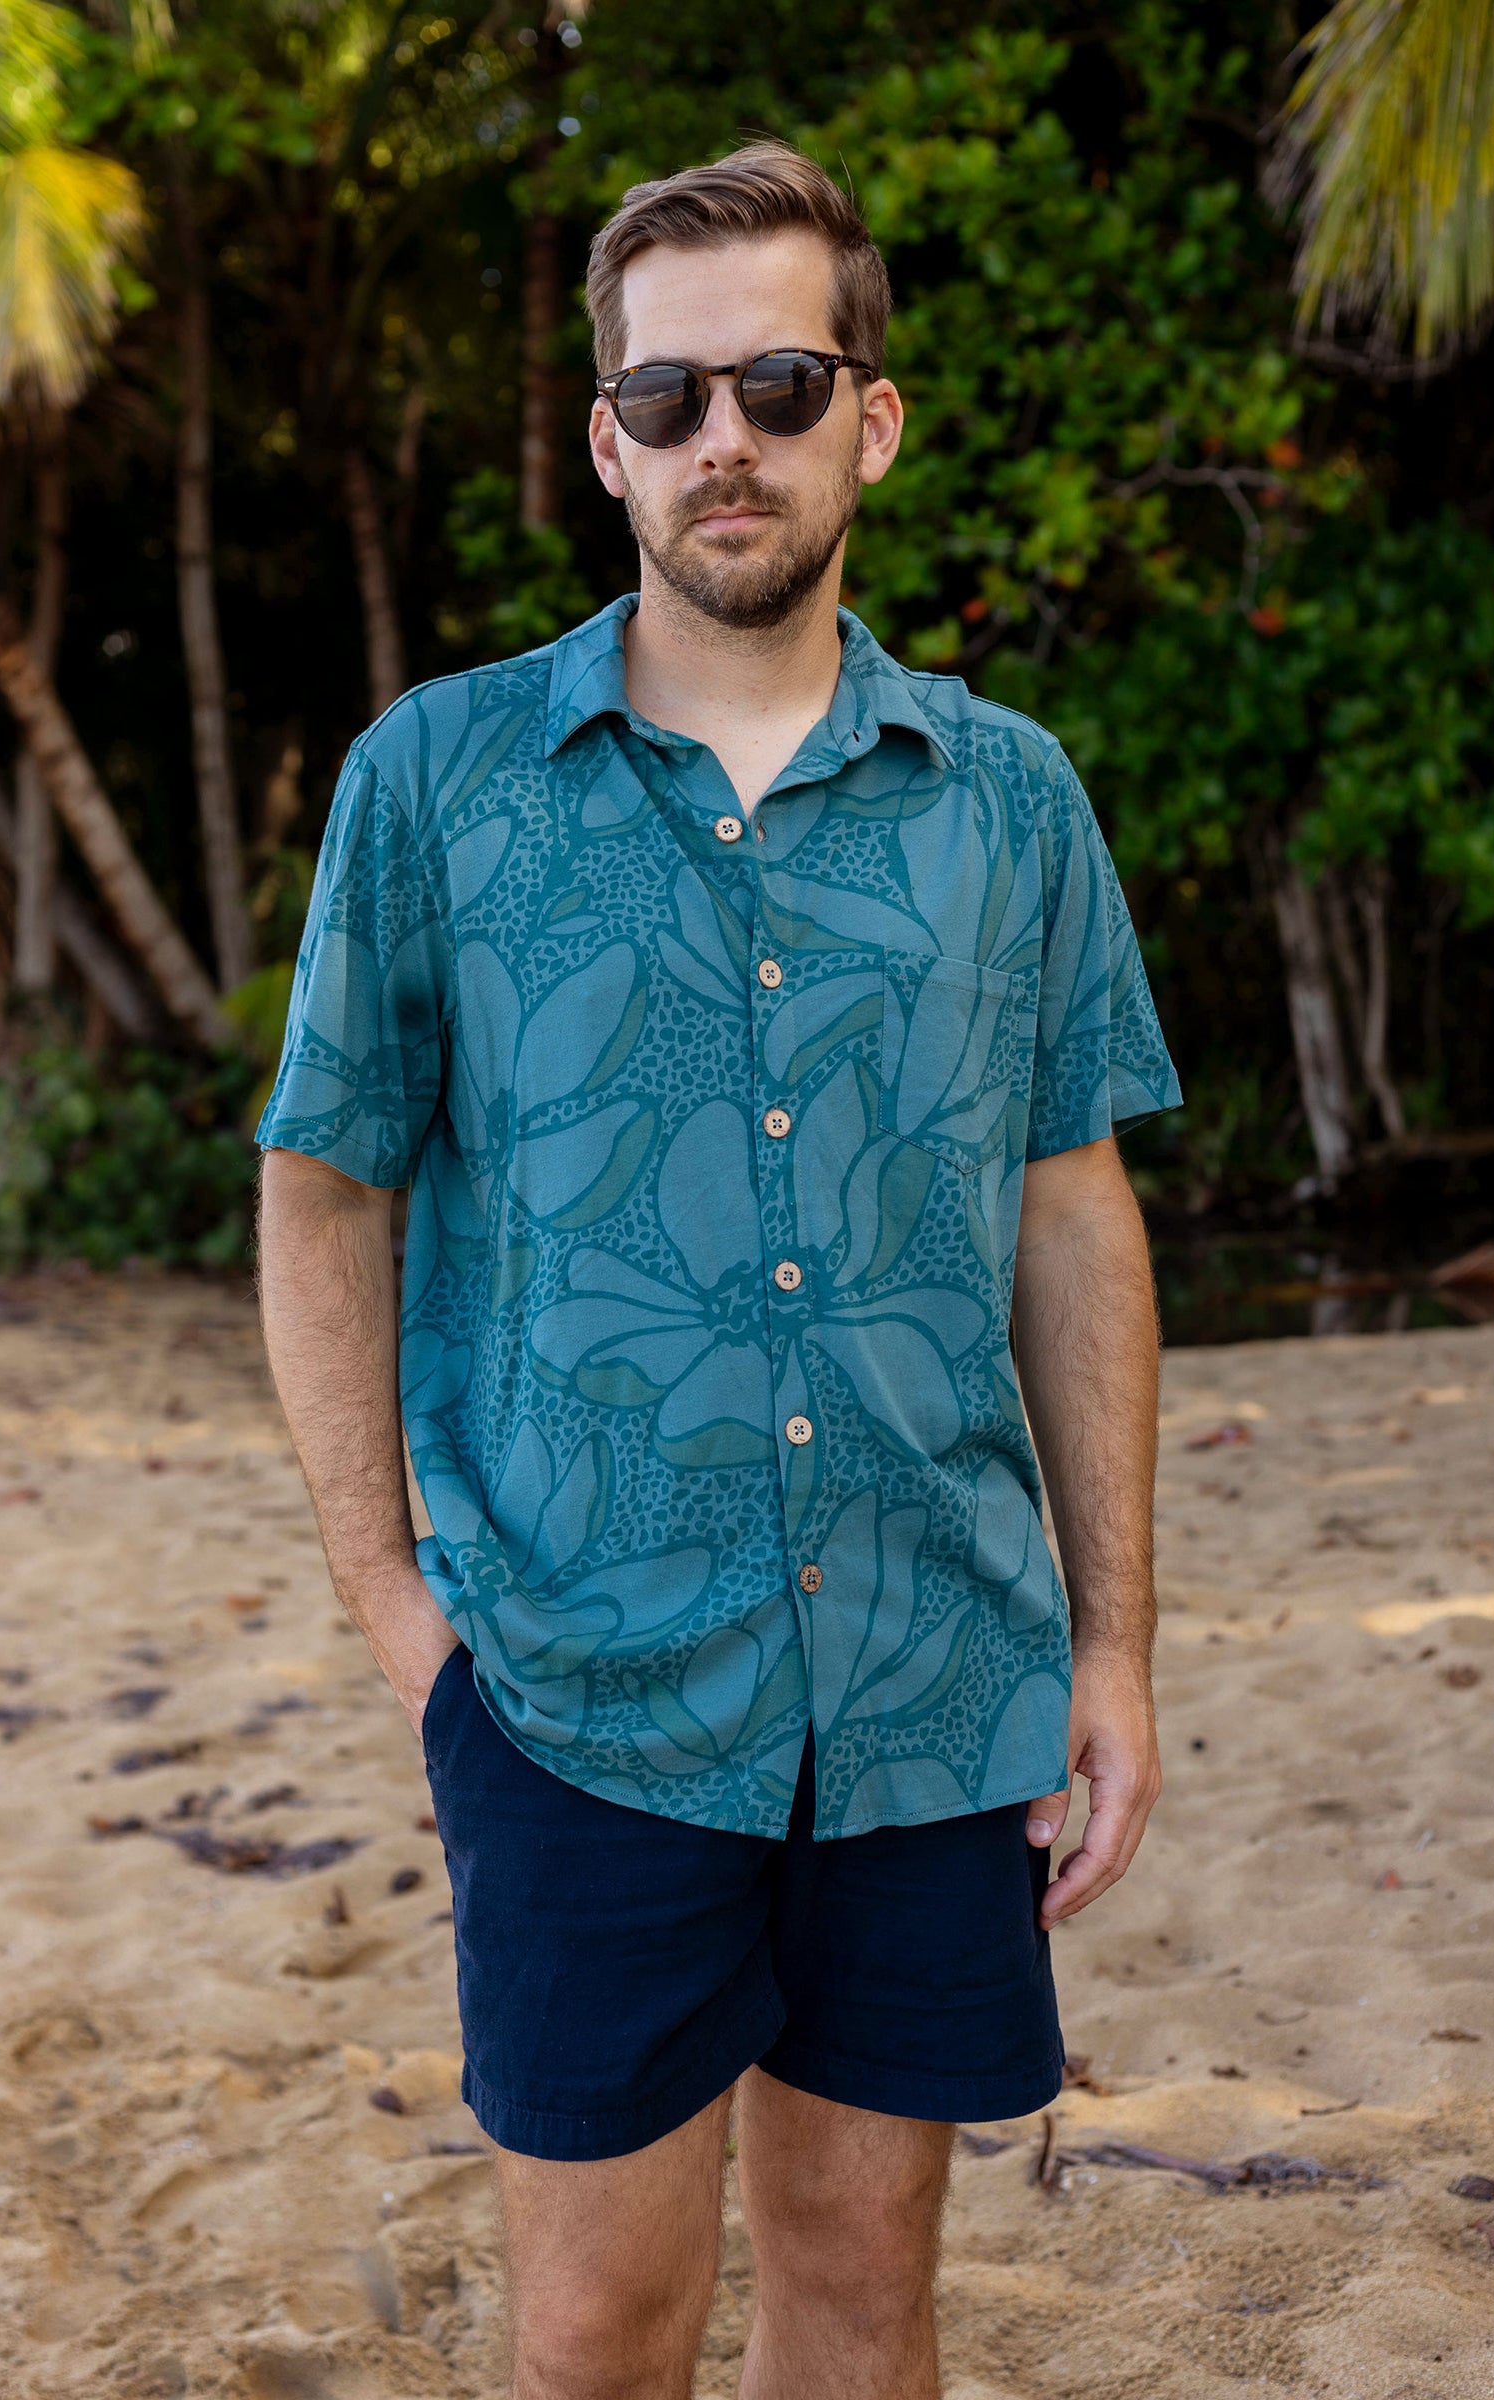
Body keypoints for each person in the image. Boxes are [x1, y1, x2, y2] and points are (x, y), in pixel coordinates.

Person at [256, 140, 1181, 2400]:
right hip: (572, 1690)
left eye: (778, 380)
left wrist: (1118, 1638)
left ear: (873, 414)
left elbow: (1073, 1205)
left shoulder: (1013, 801)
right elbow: (325, 1187)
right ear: (606, 445)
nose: (721, 441)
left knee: (868, 2290)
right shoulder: (441, 782)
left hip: (924, 1685)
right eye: (665, 401)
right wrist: (398, 1609)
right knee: (598, 2331)